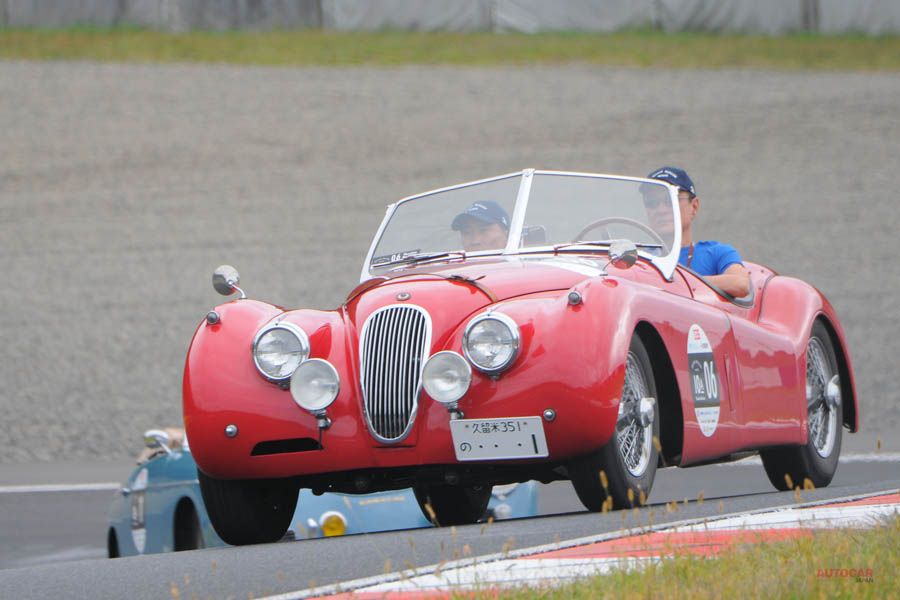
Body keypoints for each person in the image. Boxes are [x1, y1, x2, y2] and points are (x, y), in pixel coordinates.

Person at [647, 167, 751, 298]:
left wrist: (679, 283)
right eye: (652, 203)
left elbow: (741, 284)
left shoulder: (716, 252)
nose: (661, 210)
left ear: (694, 206)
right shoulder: (641, 258)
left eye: (671, 200)